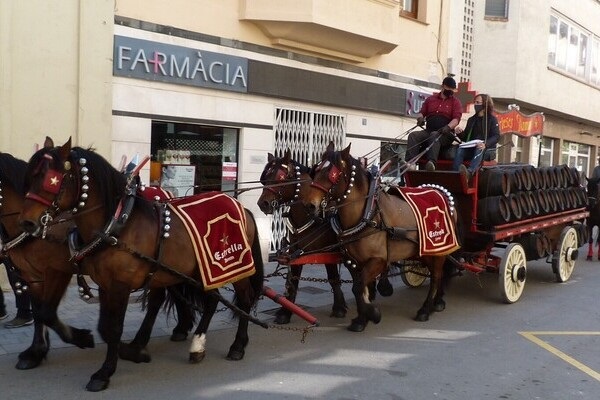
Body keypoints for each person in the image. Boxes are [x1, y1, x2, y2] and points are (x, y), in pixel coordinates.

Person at [405, 76, 463, 171]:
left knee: (434, 135)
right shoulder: (430, 99)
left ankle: (431, 163)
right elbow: (422, 112)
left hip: (445, 134)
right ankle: (411, 163)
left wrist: (448, 127)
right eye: (448, 88)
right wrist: (420, 118)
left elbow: (456, 119)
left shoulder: (455, 102)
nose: (450, 90)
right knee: (413, 136)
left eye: (452, 89)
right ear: (442, 86)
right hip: (428, 130)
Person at [452, 93, 500, 182]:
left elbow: (496, 136)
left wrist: (485, 144)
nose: (476, 105)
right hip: (471, 148)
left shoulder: (492, 119)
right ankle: (456, 174)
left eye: (478, 102)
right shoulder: (471, 119)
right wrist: (459, 133)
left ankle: (469, 173)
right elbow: (466, 138)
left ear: (485, 104)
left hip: (487, 150)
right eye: (475, 102)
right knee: (460, 150)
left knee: (479, 148)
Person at [0, 259, 33, 328]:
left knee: (16, 275)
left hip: (14, 250)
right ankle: (1, 310)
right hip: (5, 249)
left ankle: (24, 315)